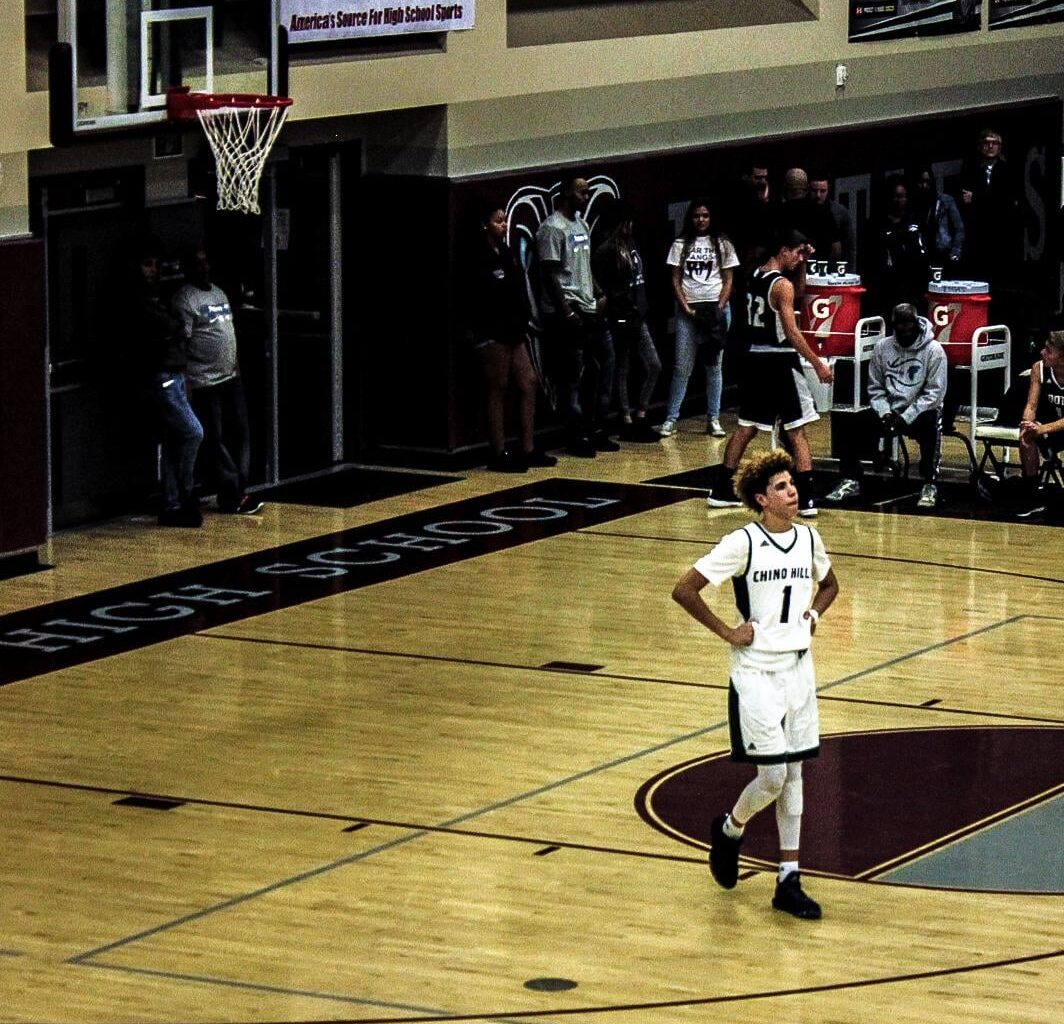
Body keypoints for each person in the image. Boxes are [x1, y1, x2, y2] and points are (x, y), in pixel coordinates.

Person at [671, 448, 839, 920]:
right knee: (773, 775)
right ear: (763, 499)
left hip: (798, 668)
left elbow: (830, 586)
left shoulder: (809, 538)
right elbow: (684, 589)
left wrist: (813, 614)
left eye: (793, 484)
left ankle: (789, 878)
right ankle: (730, 828)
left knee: (796, 774)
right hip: (755, 671)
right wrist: (728, 630)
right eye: (783, 487)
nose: (793, 491)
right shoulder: (742, 542)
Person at [706, 230, 833, 517]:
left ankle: (722, 489)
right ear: (783, 250)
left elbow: (795, 293)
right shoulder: (781, 285)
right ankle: (808, 498)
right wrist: (817, 363)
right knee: (797, 430)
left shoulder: (753, 275)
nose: (801, 257)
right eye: (798, 253)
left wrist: (803, 264)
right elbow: (791, 330)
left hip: (755, 360)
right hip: (779, 362)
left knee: (746, 427)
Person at [823, 303, 947, 510]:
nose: (904, 331)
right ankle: (851, 479)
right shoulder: (882, 347)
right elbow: (875, 387)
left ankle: (929, 483)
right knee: (853, 422)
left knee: (931, 424)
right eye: (900, 326)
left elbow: (934, 393)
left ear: (916, 324)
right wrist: (885, 412)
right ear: (894, 326)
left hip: (919, 410)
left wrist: (906, 416)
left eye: (909, 326)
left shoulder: (934, 351)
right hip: (889, 409)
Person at [172, 246, 263, 515]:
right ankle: (231, 492)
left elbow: (228, 332)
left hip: (230, 376)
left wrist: (236, 366)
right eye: (198, 263)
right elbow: (183, 342)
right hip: (204, 380)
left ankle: (240, 487)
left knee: (240, 432)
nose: (205, 267)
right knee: (215, 437)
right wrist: (186, 382)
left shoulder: (218, 292)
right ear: (189, 268)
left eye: (206, 261)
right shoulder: (184, 299)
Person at [466, 204, 557, 471]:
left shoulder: (506, 253)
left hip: (514, 331)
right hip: (492, 334)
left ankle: (527, 448)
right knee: (499, 387)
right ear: (485, 224)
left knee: (528, 382)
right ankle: (498, 453)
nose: (504, 226)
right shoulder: (478, 257)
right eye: (498, 221)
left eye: (505, 221)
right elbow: (478, 301)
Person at [535, 176, 619, 458]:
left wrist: (598, 290)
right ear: (568, 194)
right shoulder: (552, 228)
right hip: (567, 311)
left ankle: (595, 426)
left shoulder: (581, 224)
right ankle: (575, 435)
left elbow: (585, 264)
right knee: (573, 375)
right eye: (582, 192)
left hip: (589, 305)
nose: (587, 196)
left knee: (601, 366)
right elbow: (549, 274)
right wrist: (566, 310)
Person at [125, 237, 204, 528]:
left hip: (176, 372)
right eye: (148, 265)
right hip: (161, 376)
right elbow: (169, 327)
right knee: (193, 432)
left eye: (156, 265)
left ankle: (172, 503)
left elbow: (176, 329)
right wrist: (171, 330)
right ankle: (186, 491)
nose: (153, 271)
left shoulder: (160, 295)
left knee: (174, 439)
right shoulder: (137, 298)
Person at [656, 199, 739, 438]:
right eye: (696, 216)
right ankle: (671, 418)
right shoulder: (680, 244)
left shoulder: (722, 243)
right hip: (689, 311)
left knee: (714, 366)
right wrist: (685, 307)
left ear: (711, 218)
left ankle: (714, 418)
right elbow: (675, 278)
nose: (701, 220)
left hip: (716, 309)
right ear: (690, 218)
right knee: (682, 367)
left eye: (705, 215)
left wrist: (719, 307)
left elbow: (729, 278)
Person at [591, 200, 662, 441]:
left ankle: (641, 412)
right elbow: (608, 289)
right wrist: (622, 311)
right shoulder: (606, 250)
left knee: (654, 364)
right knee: (623, 367)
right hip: (621, 315)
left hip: (638, 314)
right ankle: (626, 419)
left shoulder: (632, 243)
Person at [958, 128, 1020, 288]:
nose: (990, 146)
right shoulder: (970, 170)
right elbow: (965, 201)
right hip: (977, 235)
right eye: (986, 143)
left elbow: (1007, 203)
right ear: (980, 146)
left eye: (995, 143)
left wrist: (978, 198)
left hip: (1001, 235)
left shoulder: (1008, 171)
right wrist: (989, 201)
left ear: (1000, 147)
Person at [1016, 330, 1064, 517]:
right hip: (1052, 427)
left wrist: (1041, 429)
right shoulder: (1039, 368)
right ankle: (1032, 493)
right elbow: (1031, 404)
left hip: (1054, 426)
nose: (1042, 352)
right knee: (1026, 436)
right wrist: (1027, 424)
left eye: (1048, 350)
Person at [870, 176, 927, 318]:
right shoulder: (877, 223)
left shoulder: (916, 220)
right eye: (894, 197)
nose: (898, 201)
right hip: (886, 284)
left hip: (912, 282)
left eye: (901, 196)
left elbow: (924, 250)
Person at [913, 168, 964, 276]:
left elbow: (959, 228)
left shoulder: (946, 201)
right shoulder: (915, 204)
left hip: (944, 253)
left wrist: (955, 252)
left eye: (928, 182)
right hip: (924, 255)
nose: (925, 186)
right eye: (921, 182)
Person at [809, 173, 855, 269]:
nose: (818, 195)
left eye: (822, 191)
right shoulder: (802, 212)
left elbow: (849, 248)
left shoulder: (840, 212)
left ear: (828, 189)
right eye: (814, 191)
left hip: (832, 268)